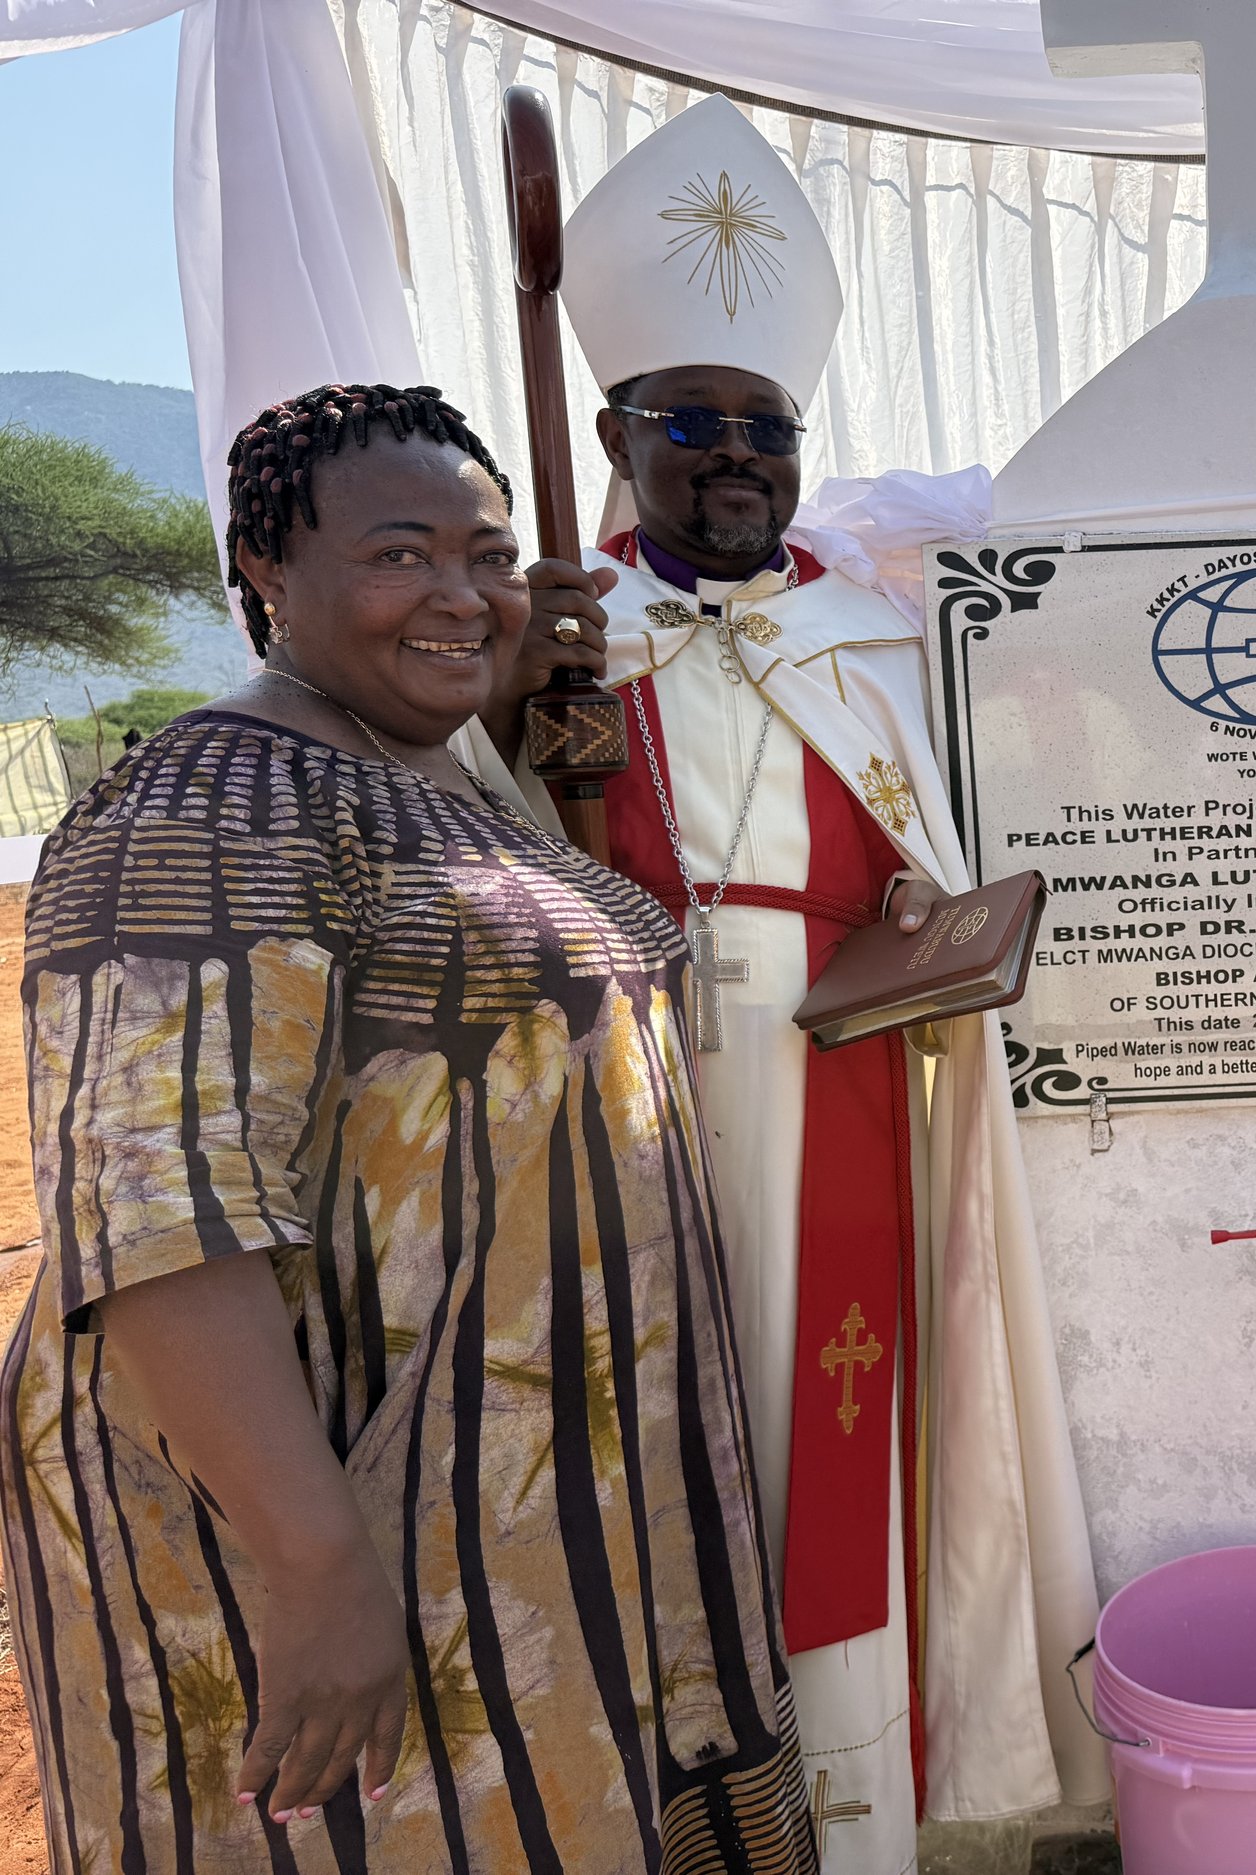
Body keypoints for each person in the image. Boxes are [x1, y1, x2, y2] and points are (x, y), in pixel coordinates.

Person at [0, 383, 815, 1872]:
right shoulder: (211, 802)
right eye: (398, 555)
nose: (461, 594)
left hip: (534, 1484)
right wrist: (316, 1569)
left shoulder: (430, 776)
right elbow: (160, 1208)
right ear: (266, 568)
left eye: (487, 557)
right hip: (357, 1508)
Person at [462, 96, 1101, 1868]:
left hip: (848, 1080)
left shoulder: (865, 634)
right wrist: (519, 718)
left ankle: (850, 1802)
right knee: (661, 1421)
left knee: (837, 1407)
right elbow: (476, 873)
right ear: (617, 438)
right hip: (631, 1096)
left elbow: (928, 840)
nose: (734, 459)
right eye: (693, 426)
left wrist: (929, 925)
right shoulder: (546, 637)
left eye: (766, 430)